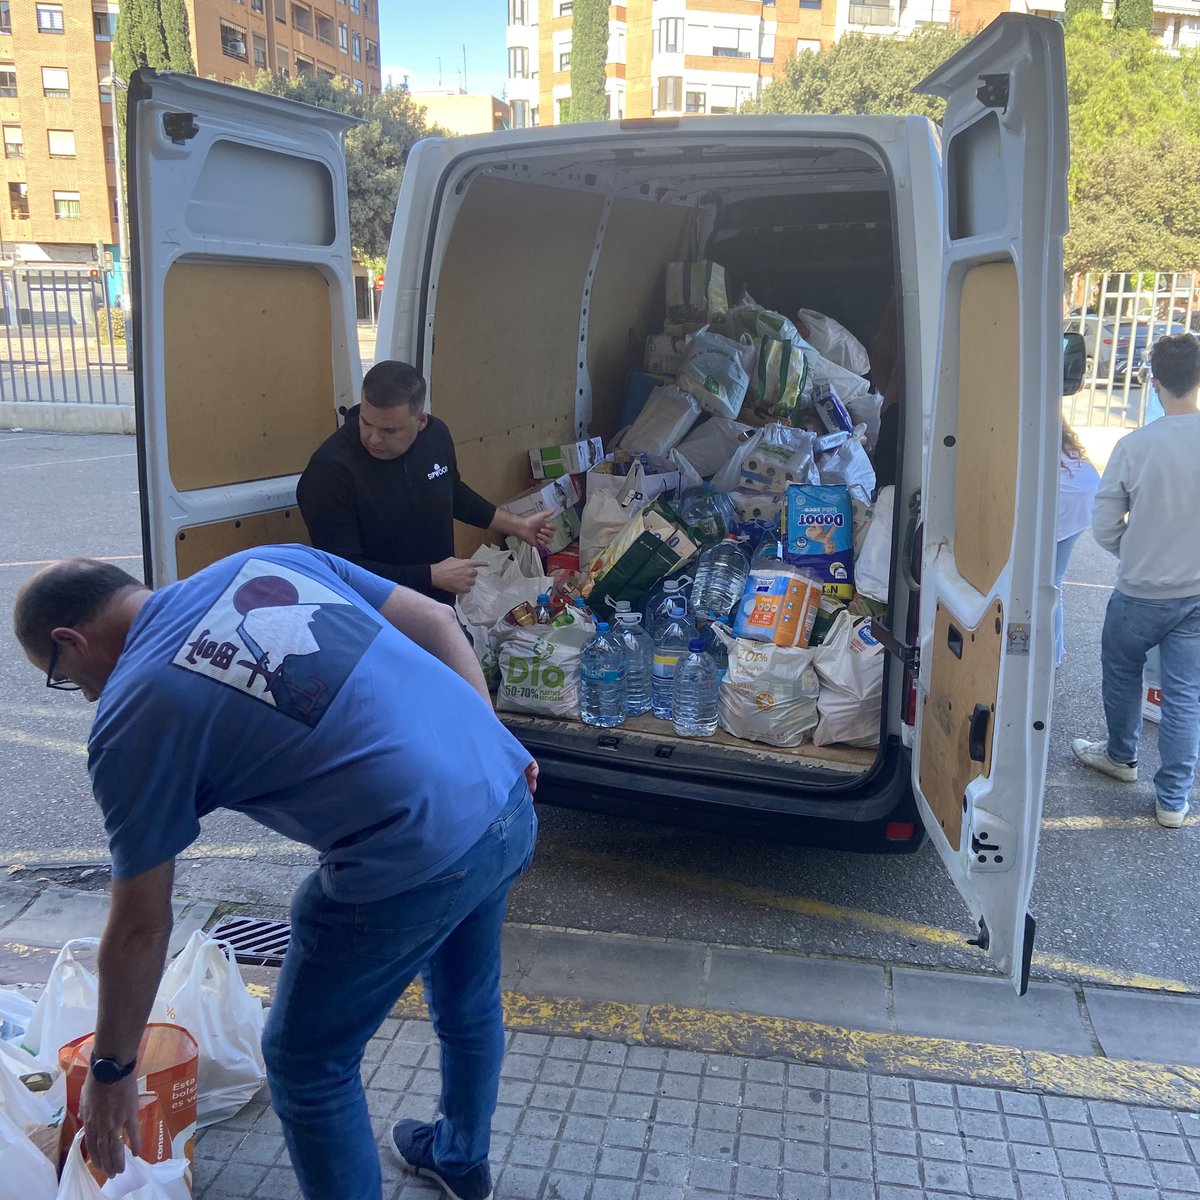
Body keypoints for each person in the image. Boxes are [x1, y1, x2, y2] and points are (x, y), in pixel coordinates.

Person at [13, 546, 540, 1200]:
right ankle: (461, 1160)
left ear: (71, 639)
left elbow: (142, 926)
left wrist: (112, 1070)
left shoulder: (131, 714)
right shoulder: (264, 563)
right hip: (506, 794)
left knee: (307, 1063)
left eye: (64, 676)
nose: (84, 694)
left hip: (410, 857)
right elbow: (435, 618)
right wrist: (487, 738)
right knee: (467, 1000)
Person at [298, 360, 555, 607]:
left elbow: (449, 491)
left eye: (389, 431)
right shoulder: (330, 471)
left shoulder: (436, 436)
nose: (374, 439)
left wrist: (517, 525)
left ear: (421, 421)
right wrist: (430, 576)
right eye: (366, 423)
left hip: (437, 604)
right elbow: (344, 571)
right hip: (374, 617)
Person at [1072, 333, 1200, 828]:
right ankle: (1173, 799)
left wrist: (1137, 554)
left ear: (1154, 381)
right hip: (1195, 594)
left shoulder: (1134, 446)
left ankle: (1121, 757)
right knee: (1184, 692)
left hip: (1141, 592)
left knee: (1122, 671)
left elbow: (1104, 526)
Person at [1054, 422, 1100, 668]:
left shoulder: (1030, 434)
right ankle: (1055, 651)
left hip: (1066, 510)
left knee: (1051, 583)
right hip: (1080, 506)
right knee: (1054, 583)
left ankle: (1052, 654)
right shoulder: (1063, 442)